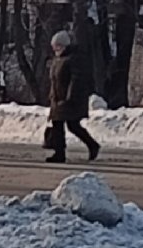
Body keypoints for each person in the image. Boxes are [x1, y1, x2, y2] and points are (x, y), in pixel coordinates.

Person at [43, 28, 101, 164]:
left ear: (65, 45)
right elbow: (54, 80)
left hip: (69, 99)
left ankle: (64, 152)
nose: (55, 49)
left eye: (58, 46)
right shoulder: (58, 60)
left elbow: (76, 80)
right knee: (64, 125)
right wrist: (52, 96)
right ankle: (63, 152)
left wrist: (70, 97)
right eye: (54, 46)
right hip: (58, 99)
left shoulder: (73, 59)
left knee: (69, 125)